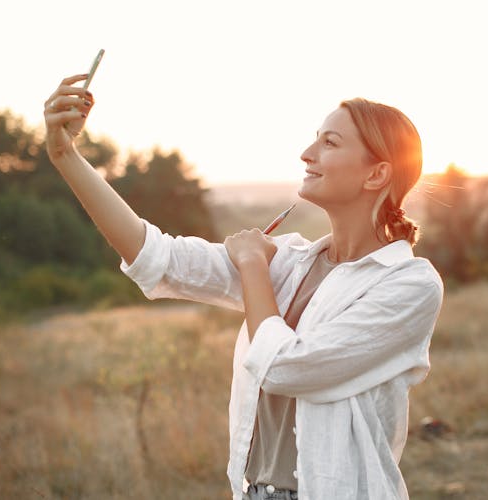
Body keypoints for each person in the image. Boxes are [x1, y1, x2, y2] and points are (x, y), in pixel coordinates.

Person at [44, 74, 444, 500]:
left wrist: (253, 266)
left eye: (329, 143)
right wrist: (65, 154)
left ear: (376, 174)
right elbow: (155, 256)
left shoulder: (409, 285)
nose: (306, 154)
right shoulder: (289, 261)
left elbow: (287, 369)